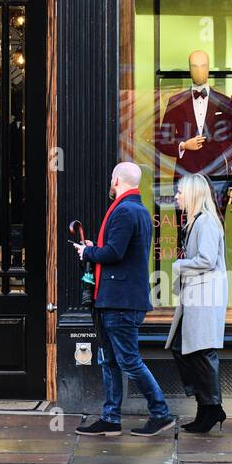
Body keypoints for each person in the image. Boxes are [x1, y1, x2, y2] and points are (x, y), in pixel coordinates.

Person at [74, 162, 176, 437]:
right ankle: (111, 418)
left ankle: (161, 413)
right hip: (119, 299)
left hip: (120, 301)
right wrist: (96, 249)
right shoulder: (138, 210)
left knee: (128, 360)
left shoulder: (124, 210)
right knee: (109, 359)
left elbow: (114, 254)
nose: (111, 181)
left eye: (111, 178)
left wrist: (87, 253)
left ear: (117, 180)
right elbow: (121, 252)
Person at [167, 173, 229, 434]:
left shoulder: (206, 223)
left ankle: (212, 408)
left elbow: (206, 260)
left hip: (205, 296)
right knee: (183, 348)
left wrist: (179, 265)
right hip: (196, 296)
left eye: (180, 192)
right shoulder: (196, 223)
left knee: (203, 351)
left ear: (193, 195)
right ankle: (206, 406)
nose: (177, 196)